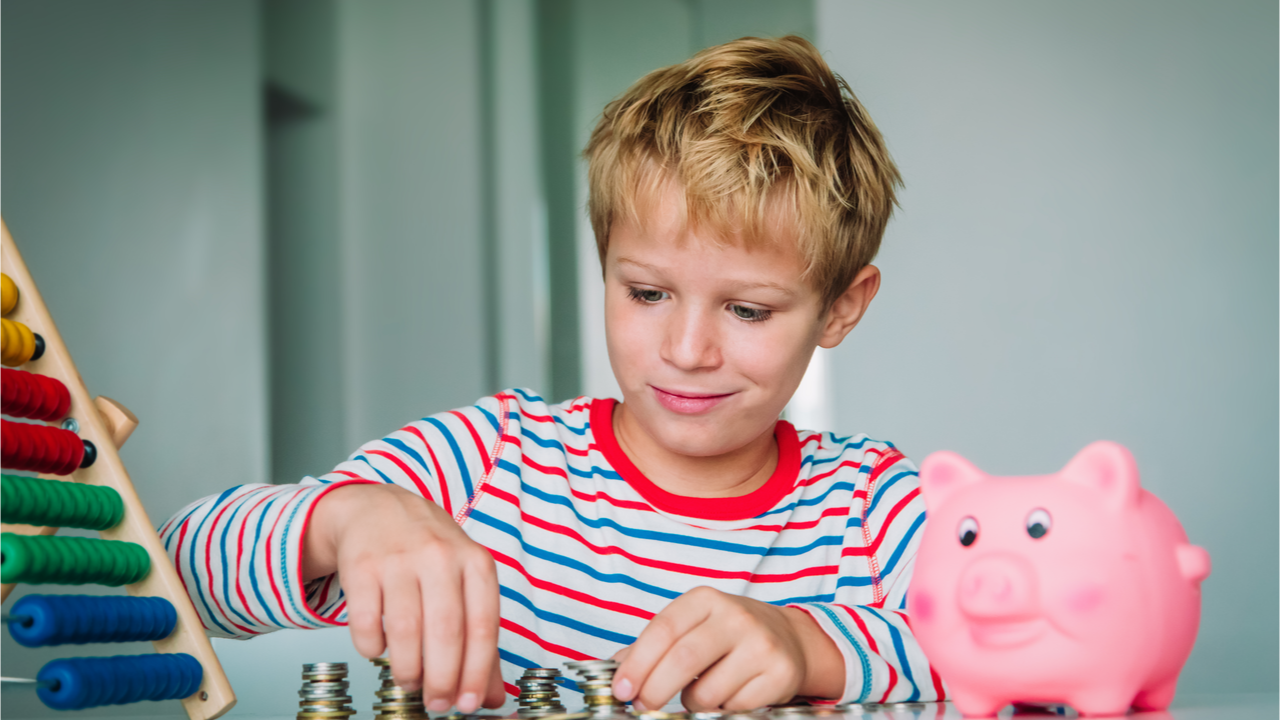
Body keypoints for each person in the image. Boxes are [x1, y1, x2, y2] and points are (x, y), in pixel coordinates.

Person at [161, 35, 941, 715]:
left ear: (840, 307)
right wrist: (344, 520)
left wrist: (809, 645)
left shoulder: (872, 509)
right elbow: (178, 570)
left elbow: (1039, 645)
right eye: (647, 293)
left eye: (748, 310)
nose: (687, 348)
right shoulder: (490, 460)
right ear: (603, 267)